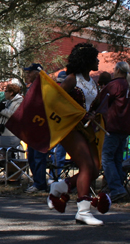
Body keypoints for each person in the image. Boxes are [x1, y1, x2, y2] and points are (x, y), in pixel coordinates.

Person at [47, 43, 111, 225]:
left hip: (87, 128)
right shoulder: (71, 80)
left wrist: (95, 115)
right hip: (70, 128)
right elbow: (53, 101)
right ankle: (83, 211)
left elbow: (95, 105)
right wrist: (76, 112)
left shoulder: (93, 83)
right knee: (85, 166)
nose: (98, 60)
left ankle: (59, 187)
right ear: (85, 60)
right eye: (94, 57)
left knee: (95, 169)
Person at [92, 61, 130, 202]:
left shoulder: (115, 84)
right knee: (117, 159)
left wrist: (93, 110)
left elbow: (100, 100)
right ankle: (118, 189)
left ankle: (116, 188)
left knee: (107, 158)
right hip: (125, 129)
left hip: (113, 127)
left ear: (117, 70)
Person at [23, 63, 48, 193]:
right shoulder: (31, 87)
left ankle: (40, 184)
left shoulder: (43, 87)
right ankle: (37, 181)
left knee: (39, 156)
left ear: (37, 73)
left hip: (40, 126)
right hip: (31, 126)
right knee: (31, 155)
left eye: (29, 72)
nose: (27, 74)